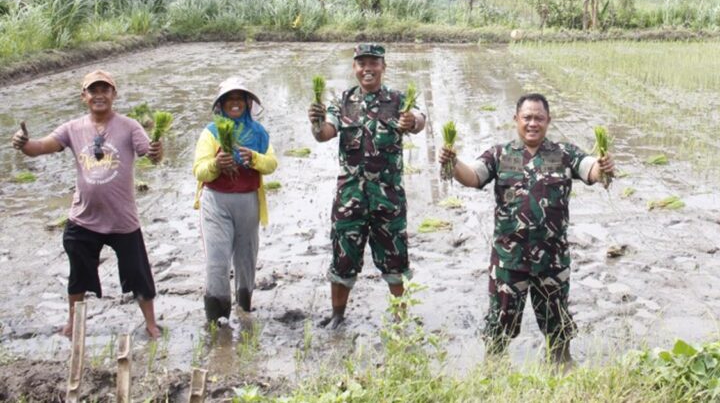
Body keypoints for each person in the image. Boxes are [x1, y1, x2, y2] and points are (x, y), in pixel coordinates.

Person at [437, 93, 615, 363]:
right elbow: (473, 175)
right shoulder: (500, 154)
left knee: (557, 330)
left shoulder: (564, 153)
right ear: (516, 120)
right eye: (527, 117)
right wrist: (452, 162)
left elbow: (589, 168)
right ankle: (494, 374)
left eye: (539, 118)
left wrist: (602, 168)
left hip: (552, 261)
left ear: (548, 121)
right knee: (498, 328)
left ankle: (559, 371)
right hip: (509, 261)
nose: (533, 123)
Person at [11, 70, 163, 338]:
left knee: (139, 273)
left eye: (105, 90)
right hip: (84, 218)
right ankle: (73, 324)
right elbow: (40, 147)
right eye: (93, 90)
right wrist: (23, 143)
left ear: (114, 95)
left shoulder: (129, 126)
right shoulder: (73, 128)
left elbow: (151, 155)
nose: (99, 95)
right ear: (84, 96)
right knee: (78, 275)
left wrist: (157, 150)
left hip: (122, 219)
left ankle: (151, 325)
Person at [307, 43, 425, 328]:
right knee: (343, 257)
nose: (367, 69)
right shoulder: (343, 101)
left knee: (396, 261)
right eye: (362, 63)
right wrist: (316, 122)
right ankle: (337, 316)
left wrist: (412, 121)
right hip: (350, 198)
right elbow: (325, 134)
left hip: (388, 199)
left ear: (383, 66)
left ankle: (400, 319)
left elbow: (419, 120)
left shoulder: (398, 101)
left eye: (373, 63)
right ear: (354, 68)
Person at [192, 77, 278, 323]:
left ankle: (244, 307)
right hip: (216, 203)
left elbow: (271, 163)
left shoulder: (259, 133)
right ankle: (217, 316)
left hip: (248, 202)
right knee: (217, 260)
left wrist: (253, 158)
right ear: (221, 105)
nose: (235, 103)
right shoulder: (211, 133)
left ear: (248, 103)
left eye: (240, 99)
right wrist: (216, 164)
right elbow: (199, 170)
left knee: (246, 259)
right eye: (229, 99)